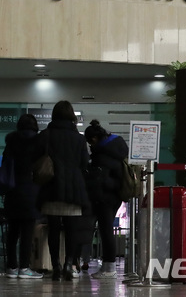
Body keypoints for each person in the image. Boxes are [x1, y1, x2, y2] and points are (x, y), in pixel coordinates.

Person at [34, 101, 90, 281]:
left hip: (51, 186)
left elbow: (36, 160)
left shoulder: (45, 135)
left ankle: (55, 265)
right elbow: (84, 163)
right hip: (73, 188)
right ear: (71, 116)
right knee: (72, 228)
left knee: (53, 228)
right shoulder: (79, 138)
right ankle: (69, 264)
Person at [84, 119, 128, 279]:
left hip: (104, 197)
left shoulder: (102, 154)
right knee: (107, 229)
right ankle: (108, 266)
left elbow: (99, 178)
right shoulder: (116, 148)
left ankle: (109, 267)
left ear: (94, 139)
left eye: (90, 142)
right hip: (115, 196)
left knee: (106, 231)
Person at [2, 114, 43, 279]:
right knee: (27, 232)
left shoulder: (11, 142)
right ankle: (24, 267)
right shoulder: (39, 143)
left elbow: (5, 165)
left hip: (12, 190)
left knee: (13, 231)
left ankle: (11, 267)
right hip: (31, 191)